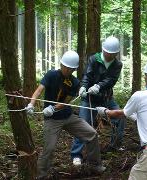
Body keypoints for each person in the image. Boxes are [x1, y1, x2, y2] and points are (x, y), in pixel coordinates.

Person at [25, 50, 105, 178]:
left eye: (71, 69)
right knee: (49, 149)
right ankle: (40, 176)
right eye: (66, 67)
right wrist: (31, 104)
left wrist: (53, 108)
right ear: (61, 65)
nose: (68, 70)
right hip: (52, 120)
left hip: (68, 117)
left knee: (92, 134)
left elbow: (66, 102)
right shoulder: (51, 75)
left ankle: (95, 165)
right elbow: (39, 90)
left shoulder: (74, 82)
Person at [97, 58, 147, 180]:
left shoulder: (140, 96)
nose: (145, 78)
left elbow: (119, 114)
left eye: (146, 75)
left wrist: (104, 111)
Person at [71, 36, 125, 166]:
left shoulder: (117, 64)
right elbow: (87, 75)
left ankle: (114, 146)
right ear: (103, 50)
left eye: (112, 54)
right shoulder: (94, 59)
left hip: (106, 98)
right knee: (83, 124)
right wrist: (83, 86)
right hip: (90, 98)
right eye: (107, 53)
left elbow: (111, 81)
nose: (109, 56)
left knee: (120, 117)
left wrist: (98, 86)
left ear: (116, 53)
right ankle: (76, 154)